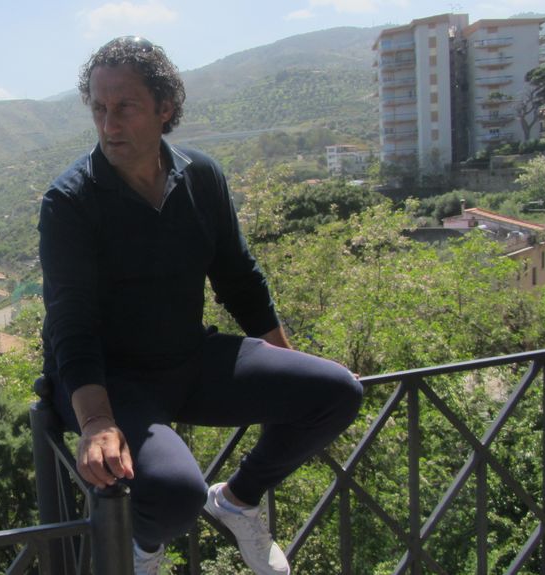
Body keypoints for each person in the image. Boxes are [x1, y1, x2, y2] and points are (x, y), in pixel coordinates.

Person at [37, 36, 364, 575]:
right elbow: (70, 321)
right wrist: (96, 421)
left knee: (335, 392)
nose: (109, 124)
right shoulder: (70, 201)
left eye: (125, 107)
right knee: (174, 494)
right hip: (114, 383)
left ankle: (237, 501)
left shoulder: (201, 176)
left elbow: (238, 276)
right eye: (98, 108)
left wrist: (288, 360)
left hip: (189, 358)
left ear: (165, 108)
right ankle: (142, 548)